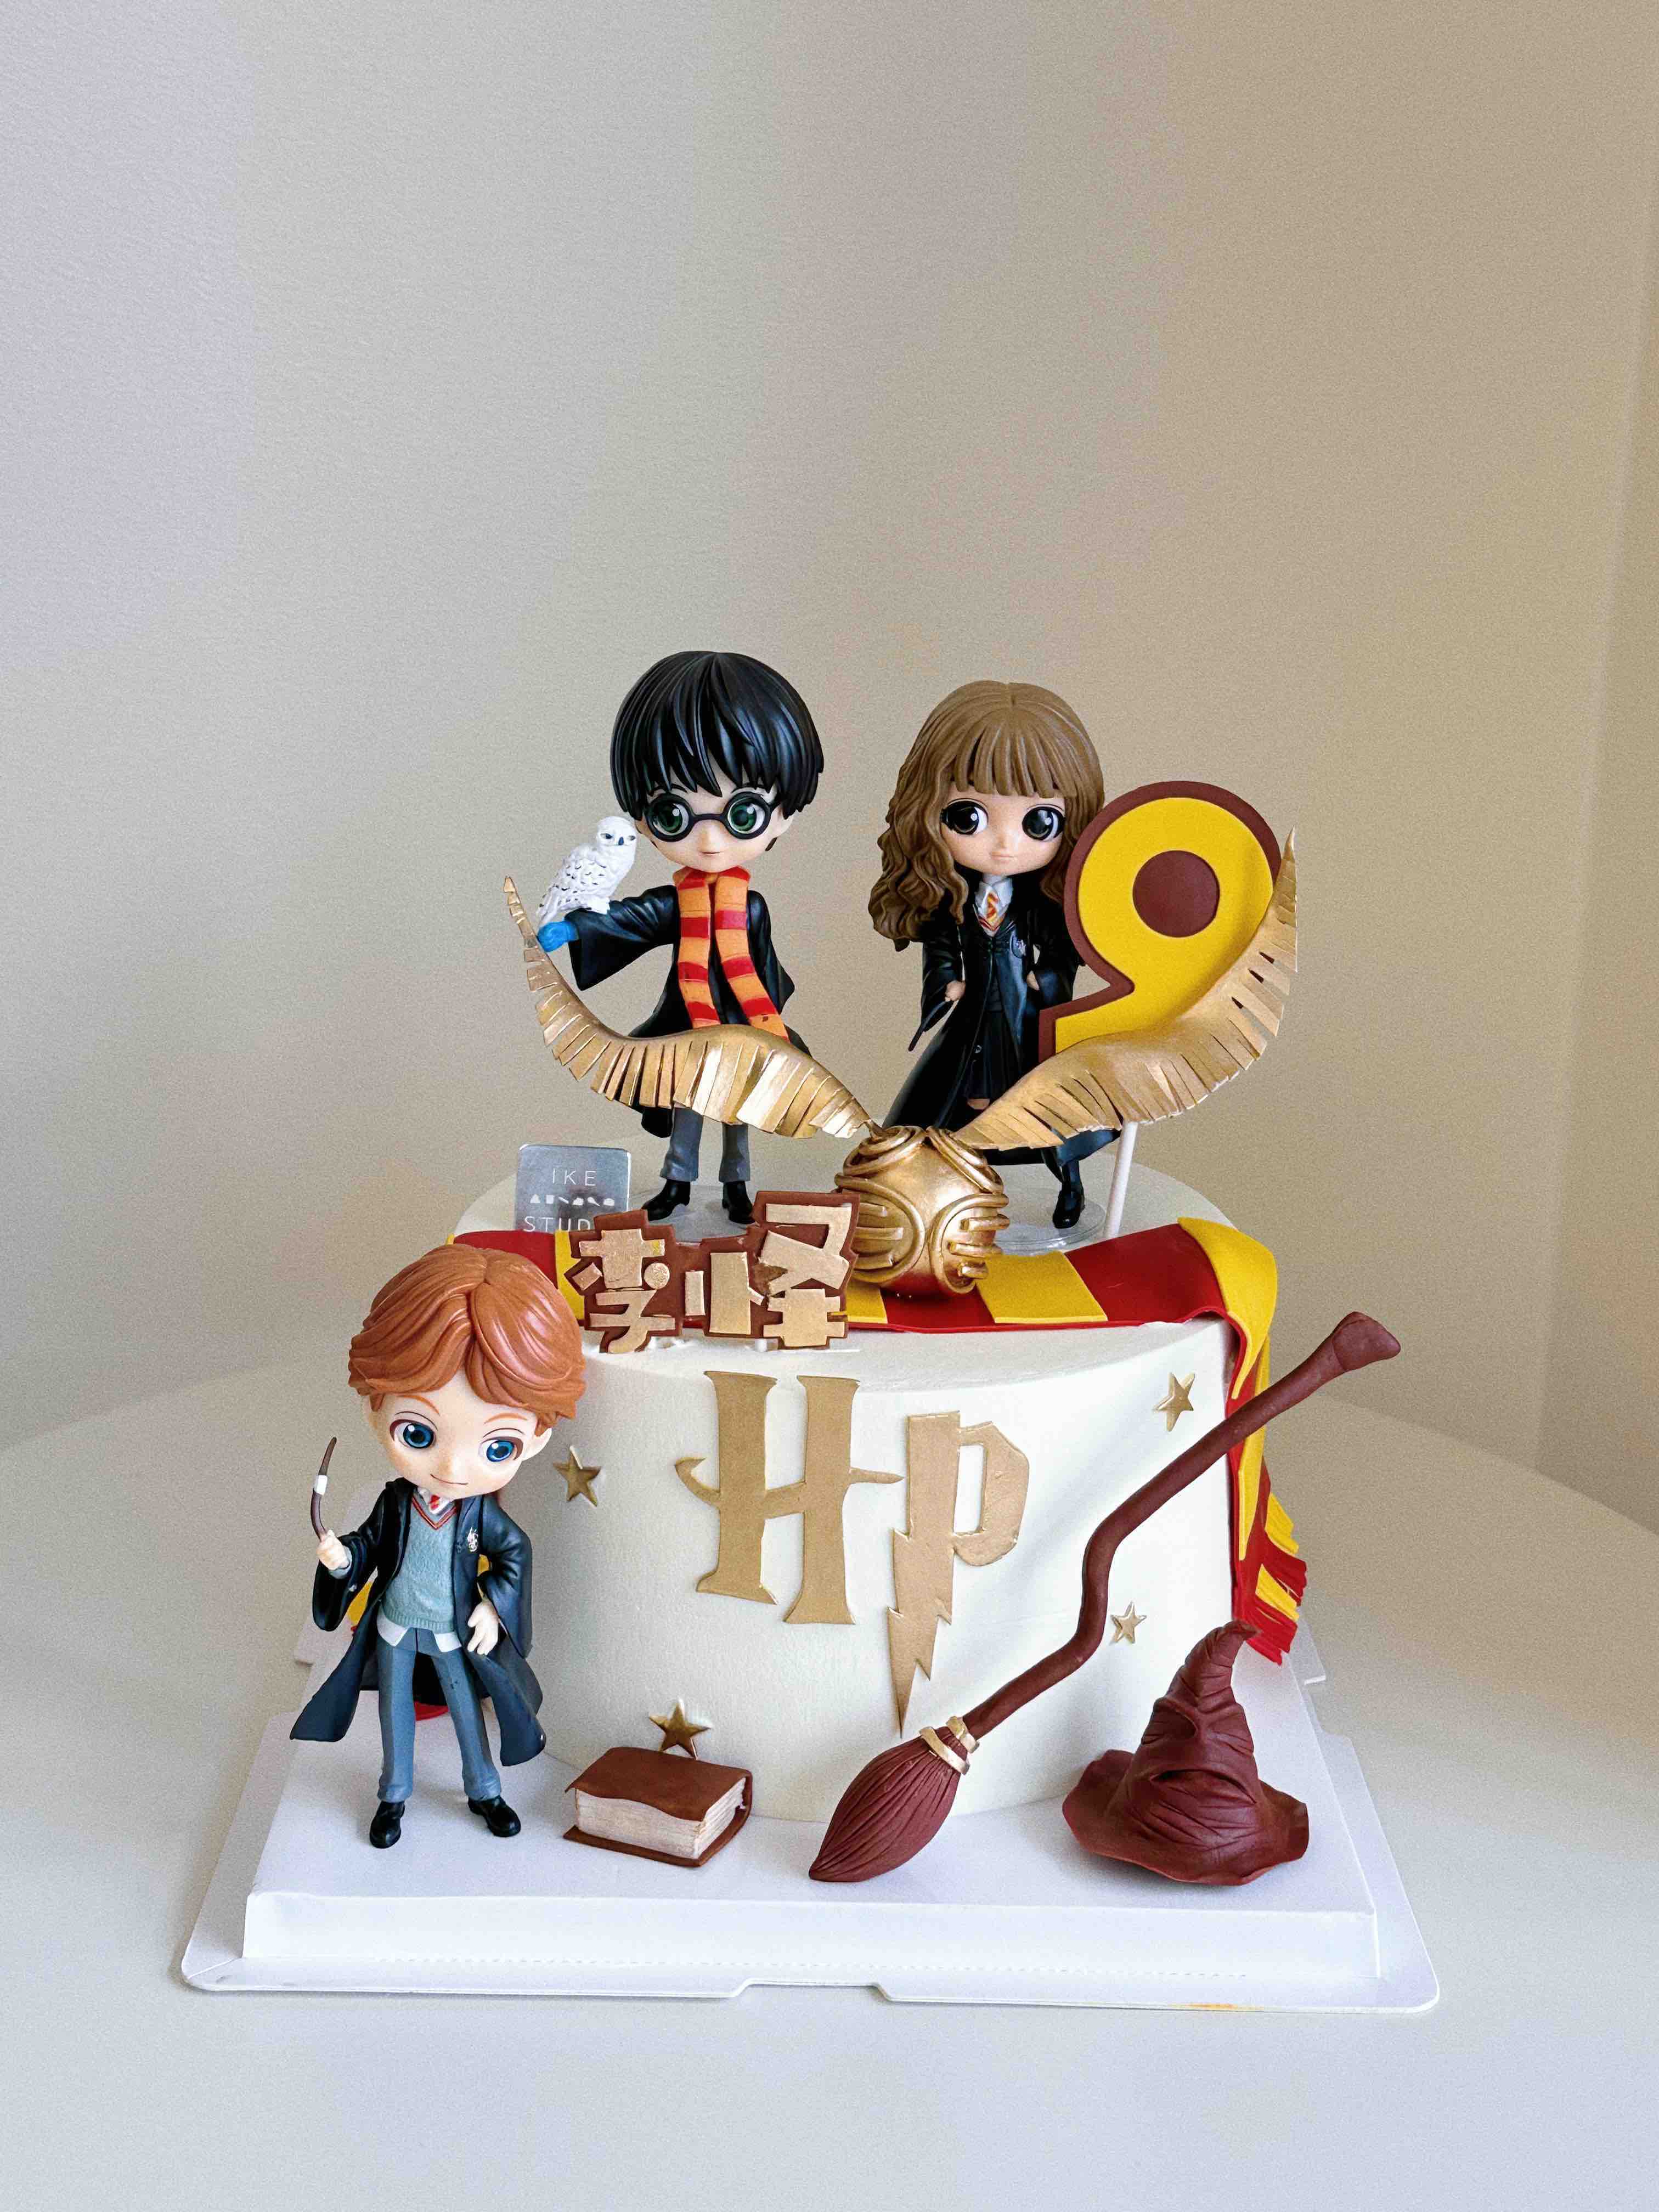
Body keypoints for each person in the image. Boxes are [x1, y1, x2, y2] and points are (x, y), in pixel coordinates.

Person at [291, 1244, 585, 1848]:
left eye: (497, 1446)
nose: (452, 1468)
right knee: (392, 1713)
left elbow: (515, 1553)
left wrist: (491, 1607)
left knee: (466, 1712)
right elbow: (369, 1545)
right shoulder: (396, 1502)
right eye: (419, 1434)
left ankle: (484, 1788)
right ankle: (393, 1793)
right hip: (396, 1625)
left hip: (452, 1629)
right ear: (375, 1411)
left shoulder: (479, 1512)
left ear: (537, 1437)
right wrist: (343, 1559)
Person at [537, 651, 824, 1223]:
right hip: (689, 1024)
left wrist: (766, 1025)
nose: (711, 841)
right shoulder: (676, 902)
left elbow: (765, 969)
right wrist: (573, 926)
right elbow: (635, 918)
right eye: (675, 815)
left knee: (738, 1108)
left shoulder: (753, 907)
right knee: (687, 1097)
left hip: (743, 1023)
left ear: (784, 816)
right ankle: (678, 1181)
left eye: (742, 814)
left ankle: (737, 1183)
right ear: (641, 819)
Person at [868, 679, 1111, 1229]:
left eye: (1038, 822)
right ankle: (963, 1191)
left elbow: (1065, 949)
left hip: (1027, 1022)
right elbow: (939, 947)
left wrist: (1047, 979)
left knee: (1049, 1109)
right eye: (968, 817)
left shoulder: (1043, 904)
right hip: (974, 1020)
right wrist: (946, 981)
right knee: (951, 1108)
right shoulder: (952, 902)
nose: (1005, 845)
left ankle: (1069, 1183)